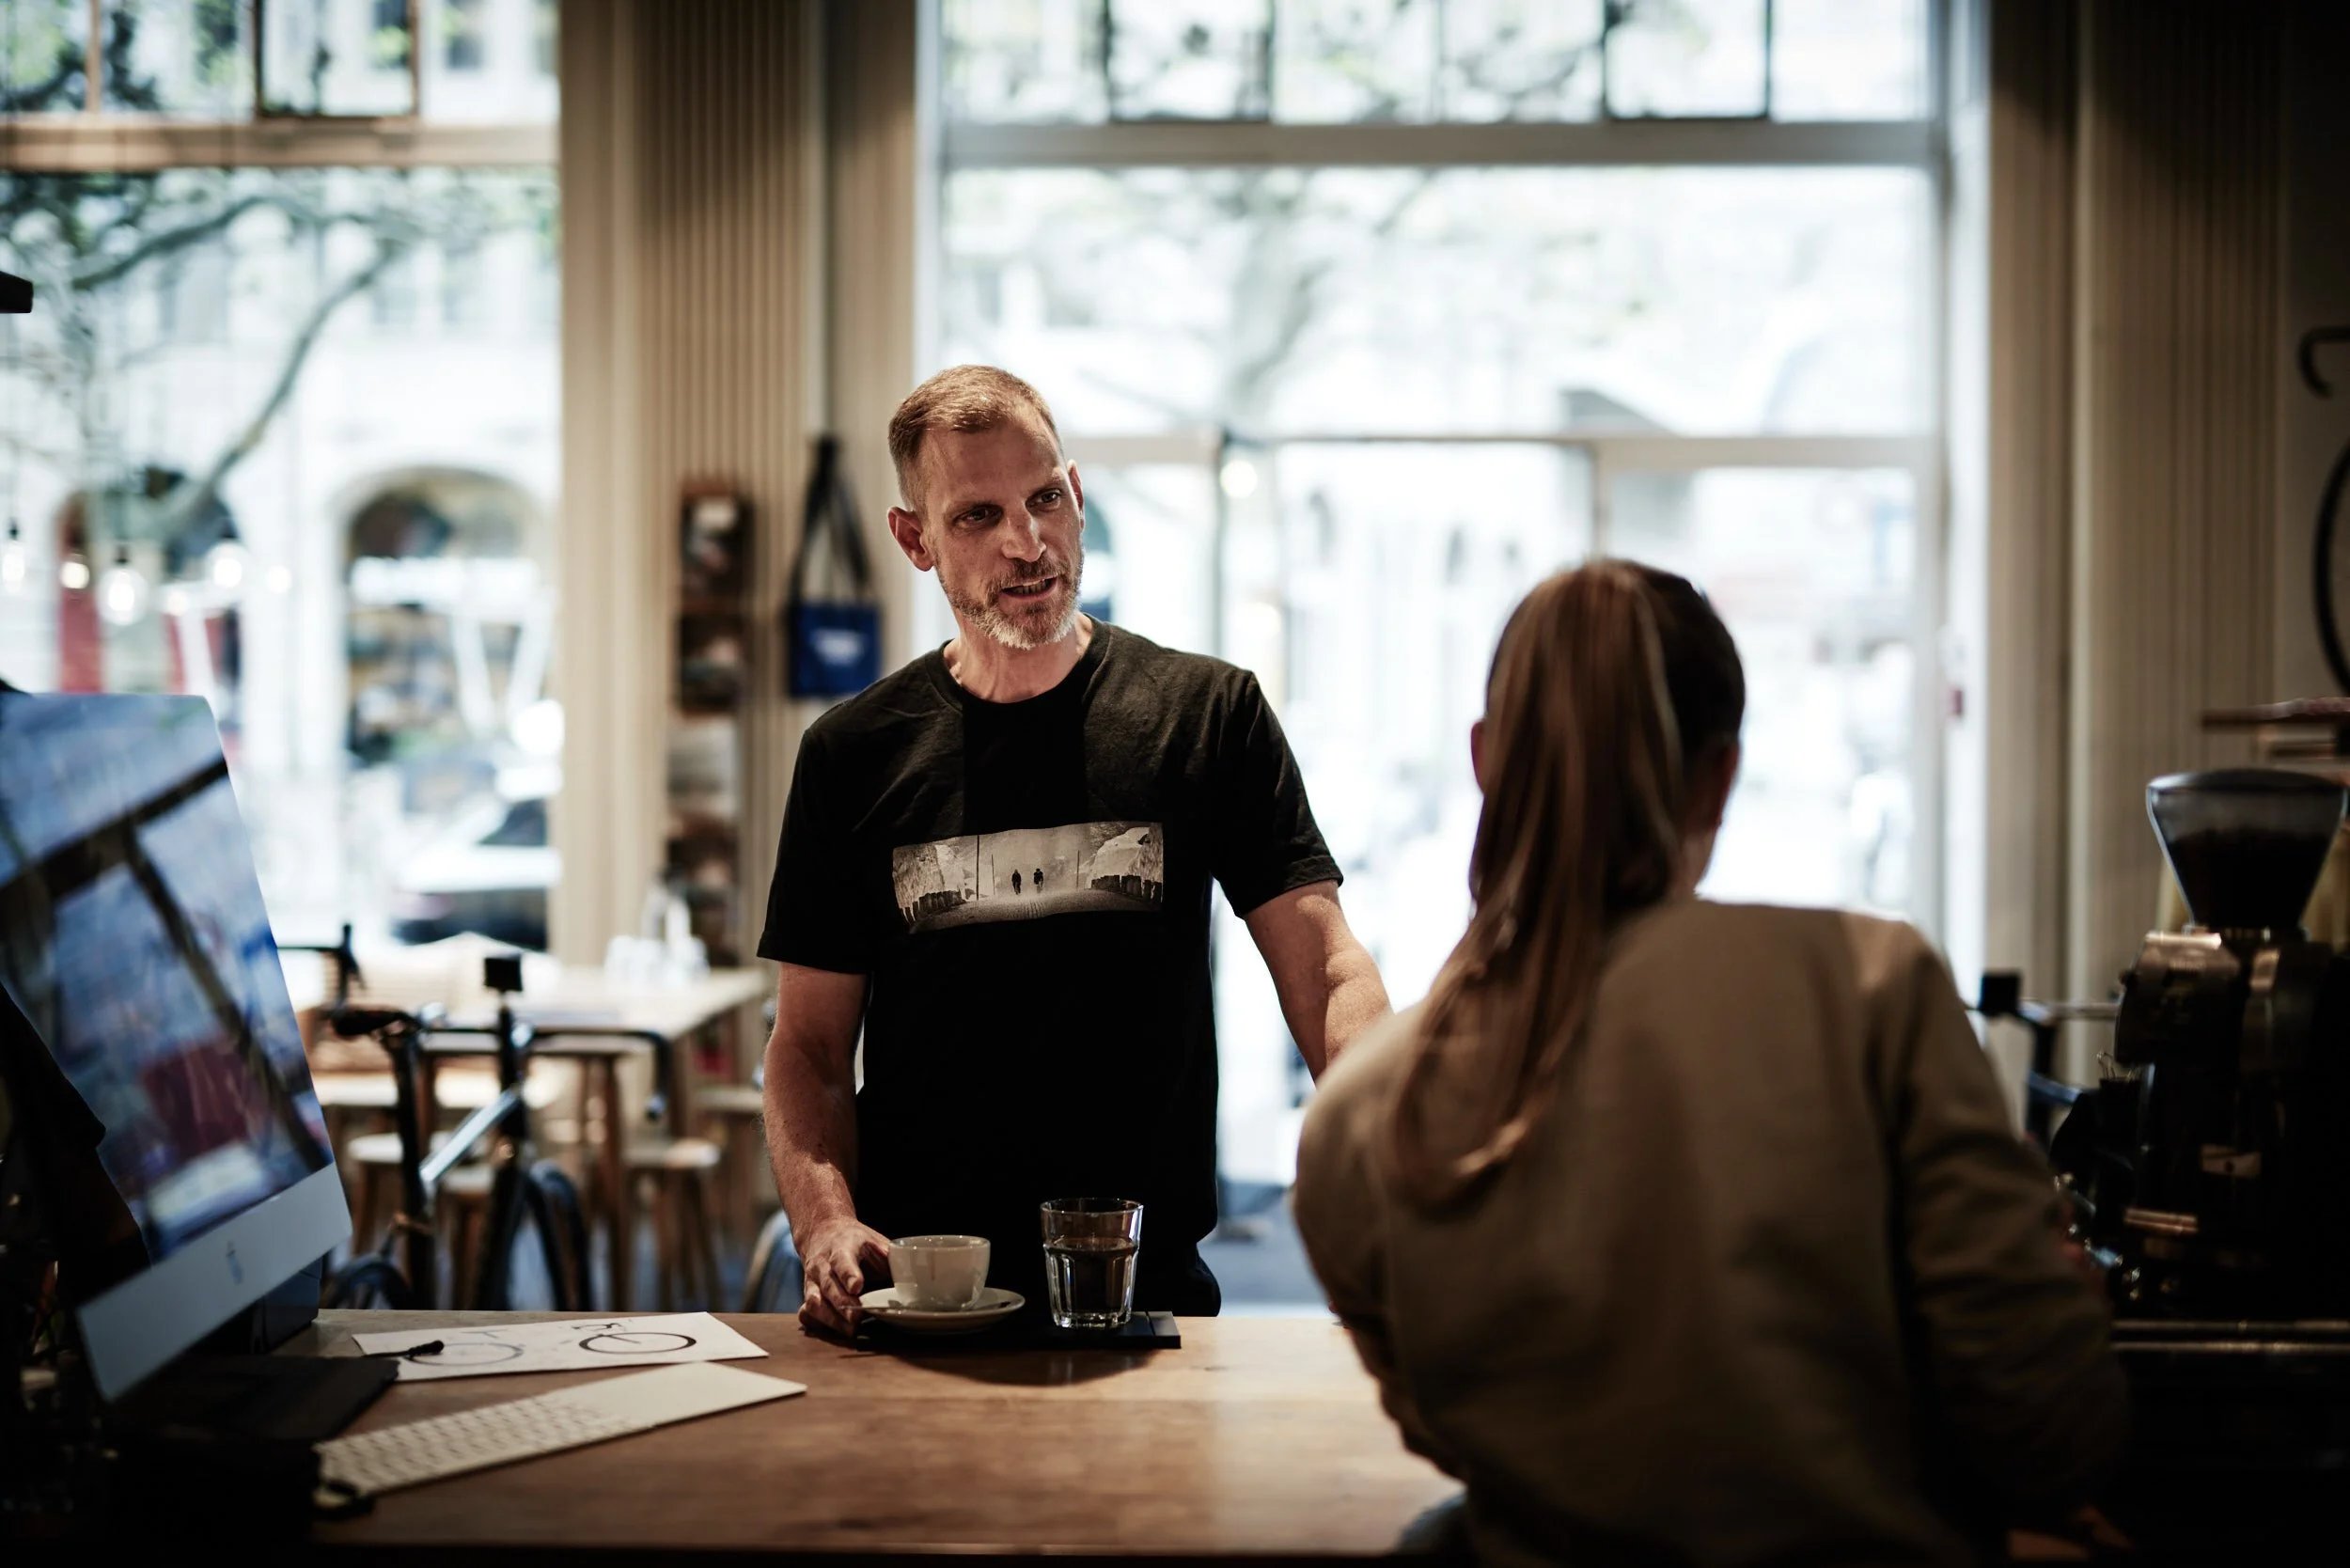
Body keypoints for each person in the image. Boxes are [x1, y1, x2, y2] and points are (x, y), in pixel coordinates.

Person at [1292, 562, 2125, 1567]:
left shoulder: (1356, 1117)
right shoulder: (1869, 987)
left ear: (1483, 760)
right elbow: (2045, 1431)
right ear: (1720, 774)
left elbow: (1441, 1431)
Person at [762, 364, 1391, 1333]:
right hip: (926, 1295)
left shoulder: (1206, 716)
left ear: (1079, 497)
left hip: (1146, 1292)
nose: (1027, 543)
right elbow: (805, 1047)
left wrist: (1382, 1135)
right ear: (913, 539)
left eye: (1045, 498)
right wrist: (826, 1223)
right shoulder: (852, 756)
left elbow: (1324, 962)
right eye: (977, 516)